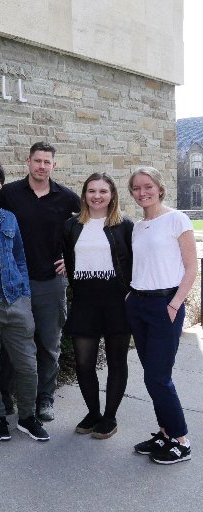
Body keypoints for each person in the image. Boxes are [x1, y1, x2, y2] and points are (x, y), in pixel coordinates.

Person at [0, 142, 80, 421]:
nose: (42, 166)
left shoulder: (67, 198)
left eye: (47, 162)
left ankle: (45, 400)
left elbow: (90, 228)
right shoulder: (9, 194)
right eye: (37, 161)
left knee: (48, 344)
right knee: (11, 345)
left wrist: (73, 260)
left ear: (53, 165)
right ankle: (5, 399)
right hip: (14, 283)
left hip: (51, 282)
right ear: (28, 162)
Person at [0, 159, 49, 443]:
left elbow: (20, 258)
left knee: (27, 363)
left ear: (1, 184)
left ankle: (28, 416)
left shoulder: (9, 219)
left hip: (16, 300)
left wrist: (25, 294)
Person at [126, 167, 197, 464]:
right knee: (151, 375)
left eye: (148, 186)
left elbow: (191, 267)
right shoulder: (139, 226)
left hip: (164, 305)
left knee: (159, 376)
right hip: (138, 303)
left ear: (159, 188)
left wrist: (174, 304)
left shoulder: (177, 219)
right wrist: (131, 295)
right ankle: (165, 432)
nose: (142, 192)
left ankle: (181, 441)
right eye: (136, 188)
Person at [62, 172, 133, 439]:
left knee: (117, 361)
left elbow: (133, 262)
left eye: (103, 191)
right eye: (92, 191)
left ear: (112, 195)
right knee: (83, 362)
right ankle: (93, 412)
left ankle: (110, 417)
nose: (97, 196)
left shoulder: (124, 225)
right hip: (85, 299)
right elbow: (69, 261)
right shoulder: (71, 226)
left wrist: (131, 293)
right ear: (84, 195)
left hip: (117, 299)